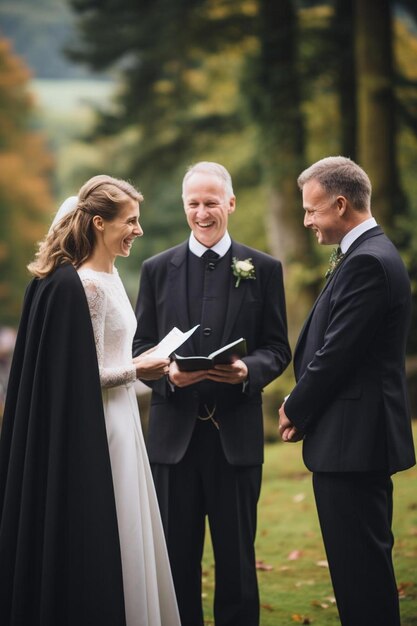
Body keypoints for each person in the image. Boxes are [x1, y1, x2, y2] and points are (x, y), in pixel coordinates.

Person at [0, 175, 181, 626]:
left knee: (133, 527)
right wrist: (140, 369)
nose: (138, 230)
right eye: (131, 221)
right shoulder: (86, 287)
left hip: (124, 417)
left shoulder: (112, 275)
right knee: (112, 526)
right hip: (102, 422)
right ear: (100, 223)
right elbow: (83, 373)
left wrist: (145, 361)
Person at [133, 161, 291, 626]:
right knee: (176, 562)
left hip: (236, 441)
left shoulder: (262, 268)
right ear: (185, 205)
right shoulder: (156, 269)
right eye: (194, 204)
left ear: (231, 203)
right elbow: (141, 348)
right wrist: (166, 376)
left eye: (211, 203)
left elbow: (279, 348)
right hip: (173, 442)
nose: (202, 213)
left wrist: (247, 370)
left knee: (238, 561)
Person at [278, 156, 416, 626]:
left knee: (361, 573)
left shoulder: (369, 263)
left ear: (340, 204)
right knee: (356, 569)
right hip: (351, 439)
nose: (307, 221)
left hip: (353, 442)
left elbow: (338, 354)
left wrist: (295, 406)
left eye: (312, 211)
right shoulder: (367, 254)